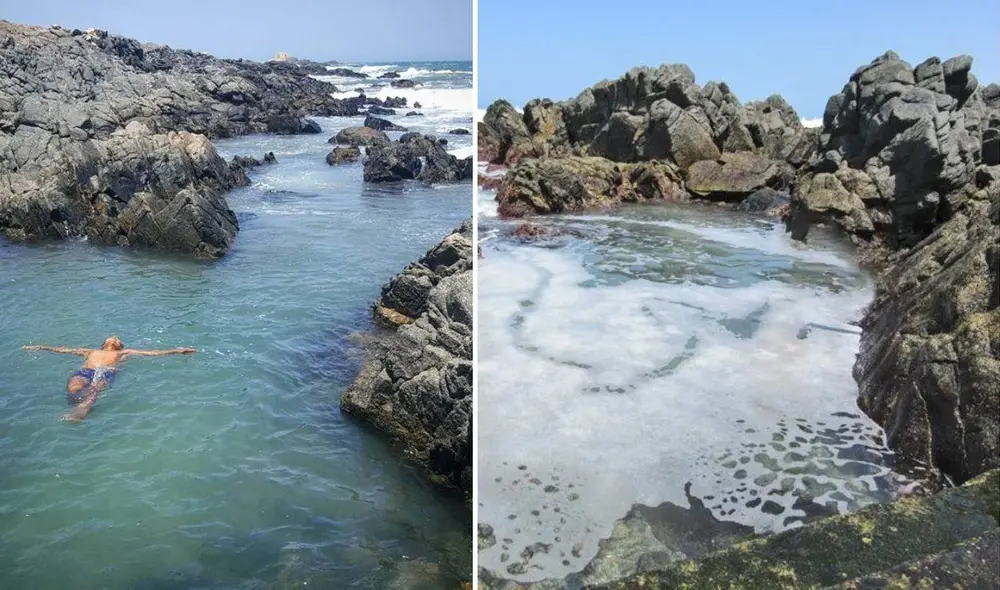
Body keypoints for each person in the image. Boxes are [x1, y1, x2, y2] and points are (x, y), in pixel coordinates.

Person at [22, 336, 196, 421]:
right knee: (74, 387)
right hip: (85, 372)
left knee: (95, 389)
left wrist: (177, 351)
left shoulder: (124, 353)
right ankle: (80, 404)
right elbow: (63, 349)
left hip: (106, 373)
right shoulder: (90, 351)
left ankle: (81, 411)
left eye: (117, 339)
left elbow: (152, 353)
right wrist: (40, 347)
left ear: (119, 346)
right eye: (112, 337)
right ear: (103, 343)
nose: (114, 338)